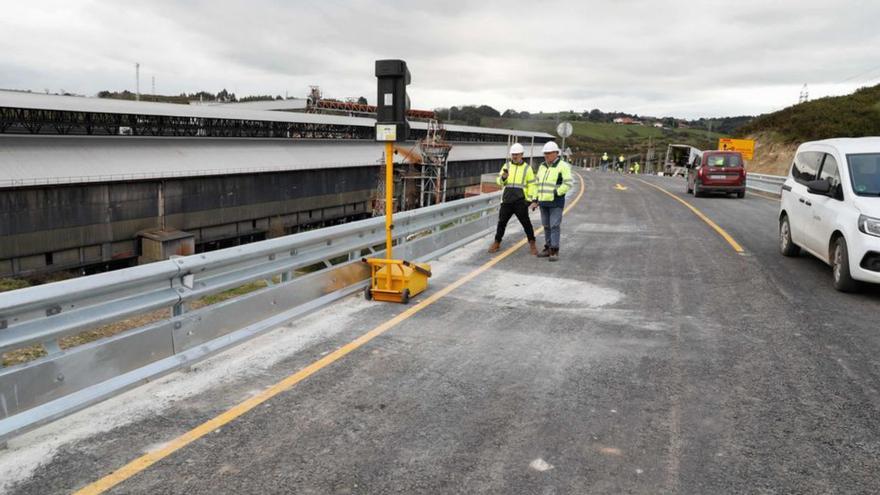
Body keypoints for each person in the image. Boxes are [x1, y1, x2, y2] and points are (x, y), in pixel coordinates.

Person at [488, 143, 539, 255]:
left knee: (526, 223)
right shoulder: (506, 166)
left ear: (522, 155)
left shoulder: (527, 168)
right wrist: (503, 178)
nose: (515, 156)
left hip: (520, 201)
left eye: (517, 154)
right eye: (513, 154)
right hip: (507, 201)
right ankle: (497, 242)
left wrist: (530, 200)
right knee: (501, 222)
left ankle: (532, 243)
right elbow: (499, 181)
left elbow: (532, 185)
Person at [532, 141, 573, 262]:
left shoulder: (563, 166)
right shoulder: (542, 166)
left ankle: (554, 250)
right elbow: (537, 184)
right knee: (546, 226)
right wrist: (535, 199)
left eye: (549, 153)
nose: (546, 156)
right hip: (543, 202)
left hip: (556, 202)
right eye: (545, 154)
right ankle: (548, 247)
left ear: (556, 153)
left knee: (554, 225)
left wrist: (556, 193)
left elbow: (568, 183)